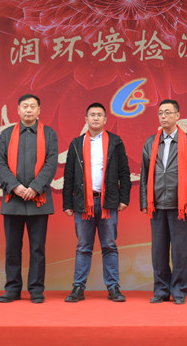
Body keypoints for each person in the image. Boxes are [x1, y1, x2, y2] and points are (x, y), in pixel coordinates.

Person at [62, 103, 131, 302]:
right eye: (92, 115)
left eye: (99, 115)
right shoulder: (77, 143)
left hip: (108, 202)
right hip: (83, 203)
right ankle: (78, 287)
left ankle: (113, 287)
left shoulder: (115, 142)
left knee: (109, 245)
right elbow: (69, 174)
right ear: (86, 119)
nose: (95, 118)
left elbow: (124, 172)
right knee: (83, 246)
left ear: (105, 120)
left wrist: (124, 198)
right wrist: (67, 203)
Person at [0, 94, 58, 303]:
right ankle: (12, 288)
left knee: (37, 248)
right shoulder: (6, 135)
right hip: (13, 200)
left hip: (39, 201)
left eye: (32, 106)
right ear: (18, 110)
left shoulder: (49, 134)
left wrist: (36, 188)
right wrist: (15, 187)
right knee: (12, 248)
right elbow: (0, 163)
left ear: (39, 110)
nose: (29, 110)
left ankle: (36, 289)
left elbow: (51, 163)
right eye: (25, 106)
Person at [140, 99, 187, 305]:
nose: (163, 116)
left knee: (180, 251)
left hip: (180, 205)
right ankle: (161, 290)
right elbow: (144, 174)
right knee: (158, 250)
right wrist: (144, 201)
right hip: (156, 203)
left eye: (168, 112)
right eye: (160, 113)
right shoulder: (151, 142)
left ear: (177, 116)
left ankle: (180, 290)